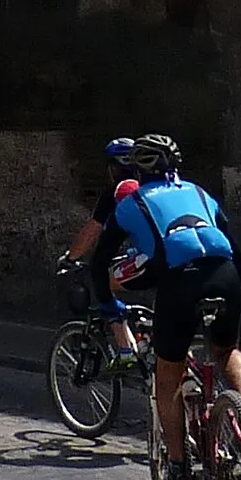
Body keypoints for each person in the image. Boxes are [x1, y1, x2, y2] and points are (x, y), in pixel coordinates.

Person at [106, 134, 241, 472]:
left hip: (179, 282)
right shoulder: (199, 193)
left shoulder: (133, 201)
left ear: (136, 171)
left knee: (166, 375)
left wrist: (107, 302)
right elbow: (235, 249)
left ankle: (175, 463)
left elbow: (105, 260)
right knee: (228, 351)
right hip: (225, 274)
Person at [65, 137, 143, 356]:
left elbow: (92, 230)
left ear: (114, 166)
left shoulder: (117, 191)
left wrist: (71, 258)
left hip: (147, 259)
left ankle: (126, 350)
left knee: (102, 282)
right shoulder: (151, 184)